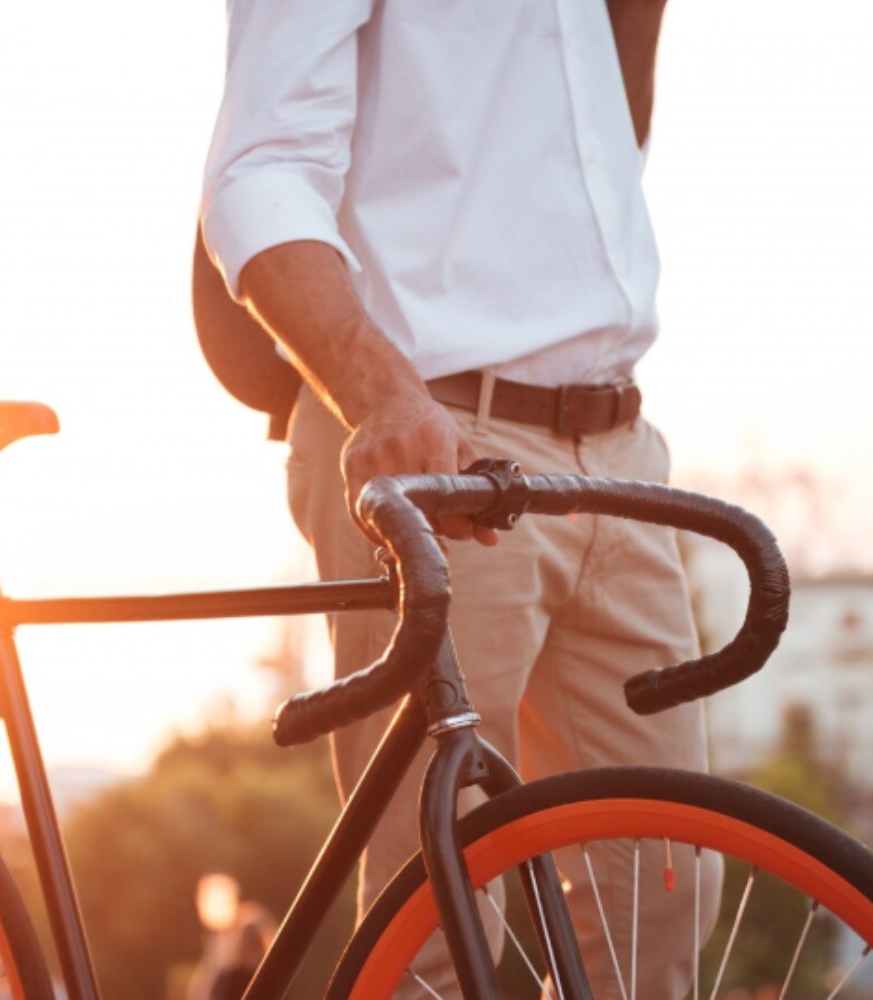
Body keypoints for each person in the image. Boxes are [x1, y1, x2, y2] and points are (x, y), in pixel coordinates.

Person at [200, 0, 721, 993]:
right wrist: (380, 394)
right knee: (434, 930)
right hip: (439, 438)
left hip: (616, 451)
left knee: (659, 891)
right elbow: (256, 173)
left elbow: (585, 162)